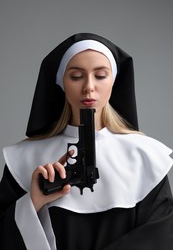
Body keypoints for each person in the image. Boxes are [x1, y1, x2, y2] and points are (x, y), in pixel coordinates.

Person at [0, 33, 173, 250]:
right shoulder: (24, 159)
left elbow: (159, 238)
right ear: (61, 82)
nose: (89, 87)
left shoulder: (145, 157)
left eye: (100, 75)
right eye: (76, 76)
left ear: (114, 81)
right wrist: (32, 203)